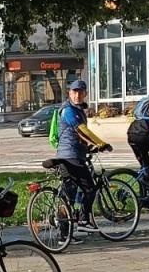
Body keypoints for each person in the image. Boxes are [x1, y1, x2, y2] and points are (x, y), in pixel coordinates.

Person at [45, 79, 110, 233]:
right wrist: (101, 143)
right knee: (90, 189)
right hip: (71, 156)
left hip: (69, 155)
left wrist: (89, 147)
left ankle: (64, 235)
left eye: (80, 92)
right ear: (69, 93)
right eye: (74, 92)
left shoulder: (77, 110)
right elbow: (81, 131)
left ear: (85, 94)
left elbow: (77, 136)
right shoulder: (68, 110)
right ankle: (83, 220)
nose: (77, 95)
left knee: (69, 195)